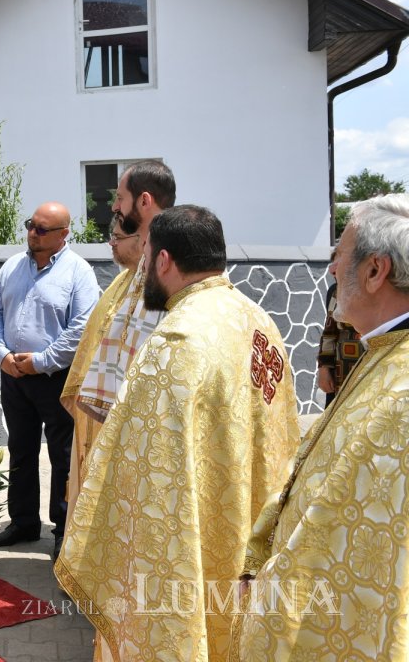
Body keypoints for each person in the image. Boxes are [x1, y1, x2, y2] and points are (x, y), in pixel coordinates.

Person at [55, 205, 300, 662]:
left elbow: (140, 472)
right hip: (250, 525)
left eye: (146, 257)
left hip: (196, 538)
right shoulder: (260, 321)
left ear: (162, 260)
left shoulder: (175, 342)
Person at [231, 194, 409, 661]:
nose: (331, 270)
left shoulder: (401, 388)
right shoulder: (384, 354)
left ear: (375, 272)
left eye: (340, 256)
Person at [0, 201, 99, 555]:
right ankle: (23, 522)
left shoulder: (79, 273)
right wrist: (1, 355)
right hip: (14, 375)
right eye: (31, 225)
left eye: (42, 229)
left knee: (63, 455)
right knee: (20, 447)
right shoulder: (13, 266)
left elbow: (81, 329)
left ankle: (63, 529)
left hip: (57, 378)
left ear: (64, 234)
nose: (33, 233)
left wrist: (42, 361)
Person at [59, 216, 143, 537]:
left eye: (118, 237)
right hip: (95, 409)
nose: (111, 243)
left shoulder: (152, 289)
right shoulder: (121, 283)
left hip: (120, 415)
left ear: (140, 240)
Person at [75, 159, 176, 421]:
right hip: (129, 415)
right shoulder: (146, 257)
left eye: (120, 198)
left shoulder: (176, 255)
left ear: (144, 201)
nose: (114, 206)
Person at [315, 258, 364, 406]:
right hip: (340, 372)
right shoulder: (335, 291)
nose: (332, 269)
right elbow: (329, 331)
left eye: (341, 260)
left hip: (371, 367)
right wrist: (324, 367)